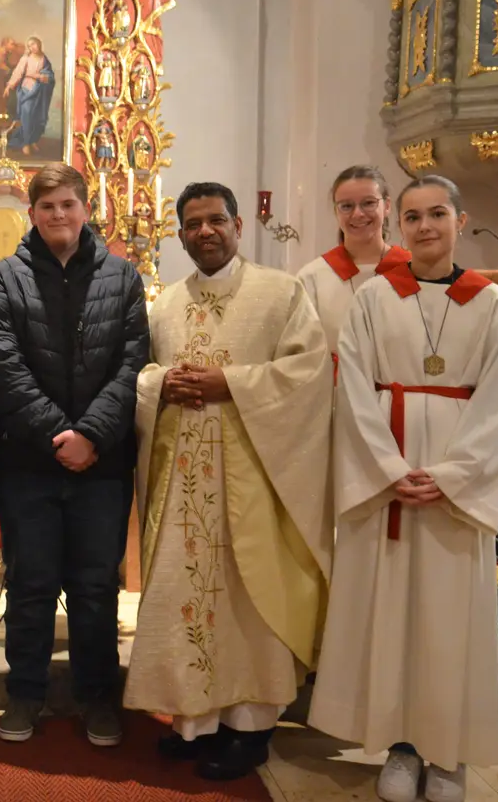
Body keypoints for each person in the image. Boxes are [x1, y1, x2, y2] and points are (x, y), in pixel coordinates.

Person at [308, 175, 498, 802]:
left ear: (460, 219)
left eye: (437, 214)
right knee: (396, 617)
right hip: (390, 483)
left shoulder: (491, 304)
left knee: (451, 620)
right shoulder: (374, 298)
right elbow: (353, 391)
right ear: (397, 225)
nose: (425, 227)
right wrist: (391, 471)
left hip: (455, 484)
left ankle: (448, 754)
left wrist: (452, 478)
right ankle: (401, 746)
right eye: (413, 216)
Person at [124, 182, 334, 781]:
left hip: (255, 478)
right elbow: (141, 376)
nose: (205, 232)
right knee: (187, 596)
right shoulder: (162, 305)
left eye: (216, 220)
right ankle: (196, 721)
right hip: (184, 483)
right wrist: (162, 383)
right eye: (192, 224)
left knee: (250, 599)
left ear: (239, 225)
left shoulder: (281, 292)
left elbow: (309, 373)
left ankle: (250, 728)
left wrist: (231, 384)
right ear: (181, 234)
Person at [0, 162, 150, 747]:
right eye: (47, 206)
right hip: (28, 460)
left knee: (96, 585)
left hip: (101, 462)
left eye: (68, 205)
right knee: (30, 581)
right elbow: (3, 365)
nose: (58, 215)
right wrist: (60, 435)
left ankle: (97, 696)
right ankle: (25, 693)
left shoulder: (123, 277)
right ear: (31, 213)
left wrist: (93, 436)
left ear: (85, 209)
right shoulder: (6, 276)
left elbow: (133, 364)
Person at [297, 165, 412, 354]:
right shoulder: (312, 278)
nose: (358, 214)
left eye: (368, 203)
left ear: (388, 206)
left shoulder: (412, 269)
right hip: (336, 382)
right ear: (336, 212)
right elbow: (303, 353)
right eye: (346, 206)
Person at [4, 36, 55, 156]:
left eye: (34, 44)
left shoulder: (44, 59)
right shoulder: (26, 58)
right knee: (26, 117)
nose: (32, 47)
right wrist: (9, 86)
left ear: (39, 44)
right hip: (26, 90)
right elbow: (18, 72)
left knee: (36, 118)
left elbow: (50, 76)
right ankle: (25, 143)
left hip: (39, 93)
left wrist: (41, 77)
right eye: (30, 45)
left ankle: (32, 140)